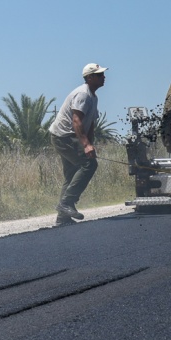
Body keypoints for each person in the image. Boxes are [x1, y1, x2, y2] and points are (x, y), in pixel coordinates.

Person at [48, 63, 108, 227]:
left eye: (102, 74)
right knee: (89, 165)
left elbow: (90, 124)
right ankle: (66, 203)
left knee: (72, 173)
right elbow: (76, 121)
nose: (104, 77)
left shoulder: (93, 97)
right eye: (99, 74)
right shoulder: (83, 94)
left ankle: (63, 217)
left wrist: (90, 144)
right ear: (90, 77)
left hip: (70, 137)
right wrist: (86, 145)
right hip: (64, 136)